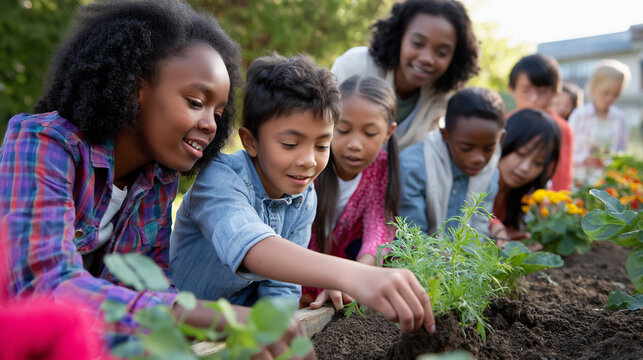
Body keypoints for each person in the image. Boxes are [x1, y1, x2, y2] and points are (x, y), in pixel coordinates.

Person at [0, 1, 308, 355]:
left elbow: (149, 287)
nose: (211, 123)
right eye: (195, 101)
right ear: (135, 87)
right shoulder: (44, 143)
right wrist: (212, 316)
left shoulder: (158, 179)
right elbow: (41, 285)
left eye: (218, 112)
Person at [170, 54, 436, 334]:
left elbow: (282, 287)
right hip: (175, 324)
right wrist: (354, 275)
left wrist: (277, 331)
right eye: (290, 144)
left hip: (239, 331)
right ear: (251, 141)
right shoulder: (220, 178)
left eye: (322, 146)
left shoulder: (305, 196)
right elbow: (252, 248)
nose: (309, 160)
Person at [301, 75, 399, 310]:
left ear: (388, 132)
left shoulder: (381, 168)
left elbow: (378, 228)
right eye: (343, 130)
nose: (355, 144)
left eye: (370, 133)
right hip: (297, 277)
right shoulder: (308, 164)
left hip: (343, 283)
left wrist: (356, 278)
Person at [331, 0, 479, 150]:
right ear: (400, 37)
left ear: (455, 57)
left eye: (441, 53)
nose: (426, 58)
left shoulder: (440, 97)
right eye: (417, 43)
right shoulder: (357, 65)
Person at [399, 87, 505, 237]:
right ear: (445, 135)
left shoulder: (490, 174)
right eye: (466, 148)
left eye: (489, 148)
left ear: (500, 139)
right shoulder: (414, 167)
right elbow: (411, 235)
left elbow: (479, 228)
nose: (478, 158)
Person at [489, 109, 561, 247]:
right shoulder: (475, 179)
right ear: (504, 141)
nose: (525, 168)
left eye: (538, 163)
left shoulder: (523, 197)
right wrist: (494, 226)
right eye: (521, 154)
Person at [508, 54, 573, 191]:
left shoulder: (561, 129)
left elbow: (562, 176)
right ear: (512, 89)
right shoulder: (506, 123)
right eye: (526, 90)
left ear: (555, 92)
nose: (533, 99)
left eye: (542, 92)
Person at [568, 59, 631, 183]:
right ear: (594, 86)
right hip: (578, 182)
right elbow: (565, 152)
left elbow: (623, 154)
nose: (610, 98)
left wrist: (610, 158)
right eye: (606, 93)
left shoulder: (620, 119)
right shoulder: (579, 116)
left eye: (615, 94)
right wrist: (585, 158)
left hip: (607, 184)